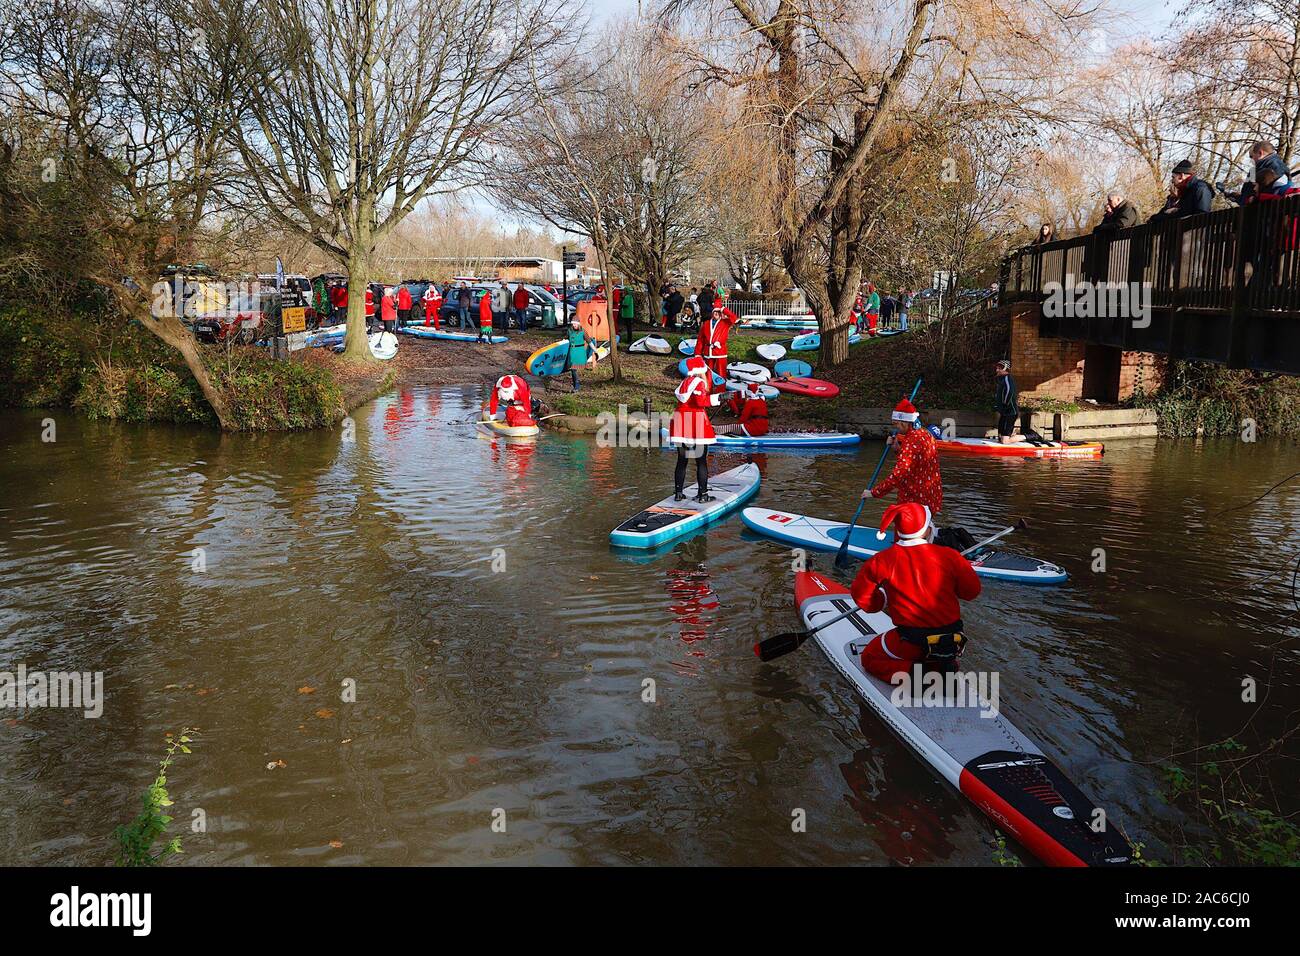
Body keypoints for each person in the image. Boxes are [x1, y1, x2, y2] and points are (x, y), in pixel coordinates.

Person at [848, 502, 982, 682]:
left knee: (870, 657)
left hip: (911, 642)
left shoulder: (882, 560)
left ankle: (914, 675)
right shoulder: (950, 555)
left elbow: (865, 601)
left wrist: (882, 599)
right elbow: (971, 592)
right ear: (927, 530)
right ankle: (943, 666)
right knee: (935, 651)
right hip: (952, 640)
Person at [866, 397, 942, 514]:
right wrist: (897, 449)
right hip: (932, 496)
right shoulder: (925, 434)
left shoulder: (911, 441)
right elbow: (915, 462)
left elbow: (898, 475)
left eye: (896, 423)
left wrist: (874, 492)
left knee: (906, 531)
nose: (895, 427)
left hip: (915, 500)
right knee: (925, 529)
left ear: (904, 421)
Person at [669, 356, 722, 502]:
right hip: (696, 422)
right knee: (701, 461)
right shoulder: (699, 383)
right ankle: (703, 495)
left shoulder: (684, 383)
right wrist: (719, 398)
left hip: (681, 421)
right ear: (701, 370)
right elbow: (700, 402)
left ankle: (678, 494)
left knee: (682, 460)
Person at [695, 300, 739, 389]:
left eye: (718, 312)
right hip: (708, 352)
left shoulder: (725, 322)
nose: (716, 313)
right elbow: (700, 339)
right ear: (712, 312)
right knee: (708, 373)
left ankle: (721, 393)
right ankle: (708, 391)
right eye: (715, 311)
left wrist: (723, 309)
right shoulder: (706, 324)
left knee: (721, 373)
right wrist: (698, 353)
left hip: (720, 352)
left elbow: (734, 318)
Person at [994, 359, 1022, 444]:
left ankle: (1030, 436)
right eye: (997, 368)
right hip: (1004, 412)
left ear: (1006, 369)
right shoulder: (1001, 379)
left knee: (1004, 441)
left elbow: (1009, 391)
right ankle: (1010, 436)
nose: (997, 370)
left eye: (1000, 368)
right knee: (1000, 437)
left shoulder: (1007, 378)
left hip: (1010, 412)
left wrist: (1005, 404)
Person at [565, 318, 595, 391]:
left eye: (575, 324)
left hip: (579, 351)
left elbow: (589, 341)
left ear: (578, 324)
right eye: (573, 324)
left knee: (573, 369)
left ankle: (576, 386)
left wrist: (594, 349)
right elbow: (566, 339)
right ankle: (576, 385)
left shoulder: (582, 331)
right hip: (572, 351)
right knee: (573, 369)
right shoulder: (569, 331)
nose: (574, 325)